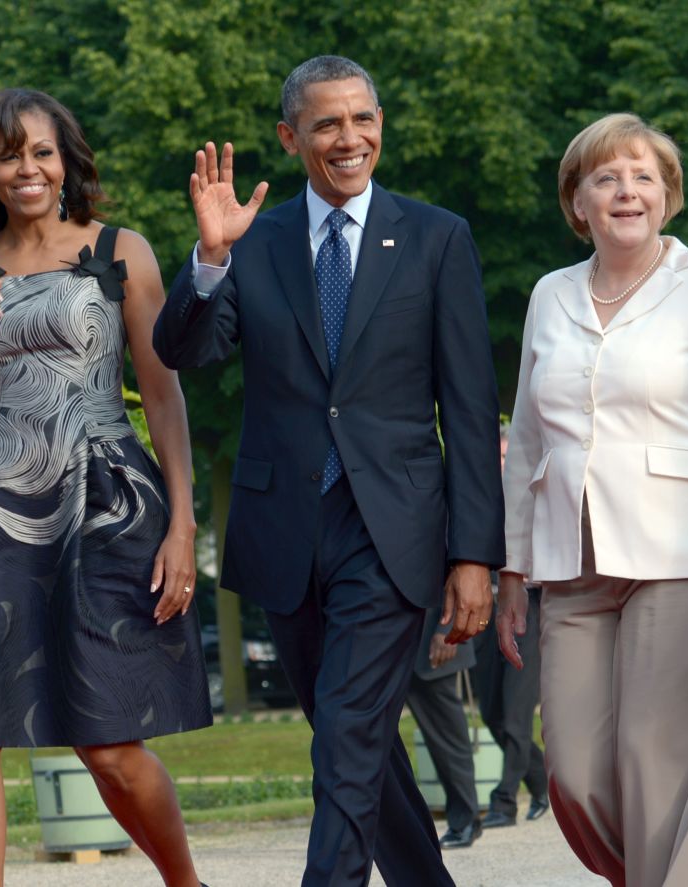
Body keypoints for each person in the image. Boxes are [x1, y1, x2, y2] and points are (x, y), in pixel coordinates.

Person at [152, 55, 504, 887]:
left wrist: (474, 554)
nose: (350, 139)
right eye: (327, 124)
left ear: (380, 124)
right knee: (354, 747)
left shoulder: (437, 236)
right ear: (290, 137)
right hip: (287, 532)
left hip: (394, 529)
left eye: (363, 120)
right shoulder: (254, 241)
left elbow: (468, 401)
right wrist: (209, 256)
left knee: (348, 734)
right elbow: (183, 350)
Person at [0, 88, 210, 887]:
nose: (25, 168)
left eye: (40, 151)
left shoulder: (121, 251)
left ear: (66, 160)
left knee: (108, 744)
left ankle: (186, 882)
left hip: (104, 507)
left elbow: (162, 396)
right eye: (6, 154)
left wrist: (182, 526)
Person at [496, 112, 688, 887]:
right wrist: (511, 568)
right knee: (575, 779)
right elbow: (526, 437)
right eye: (606, 177)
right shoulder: (550, 294)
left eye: (643, 176)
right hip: (573, 563)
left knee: (660, 771)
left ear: (668, 195)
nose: (626, 190)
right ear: (577, 201)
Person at [474, 426, 549, 830]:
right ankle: (542, 783)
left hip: (528, 606)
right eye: (496, 459)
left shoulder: (535, 500)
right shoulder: (479, 503)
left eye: (506, 459)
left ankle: (504, 802)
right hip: (485, 606)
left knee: (517, 714)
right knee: (492, 713)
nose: (500, 467)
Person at [405, 602, 483, 850]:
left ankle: (465, 820)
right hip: (384, 642)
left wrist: (449, 629)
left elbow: (458, 570)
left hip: (432, 641)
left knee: (448, 741)